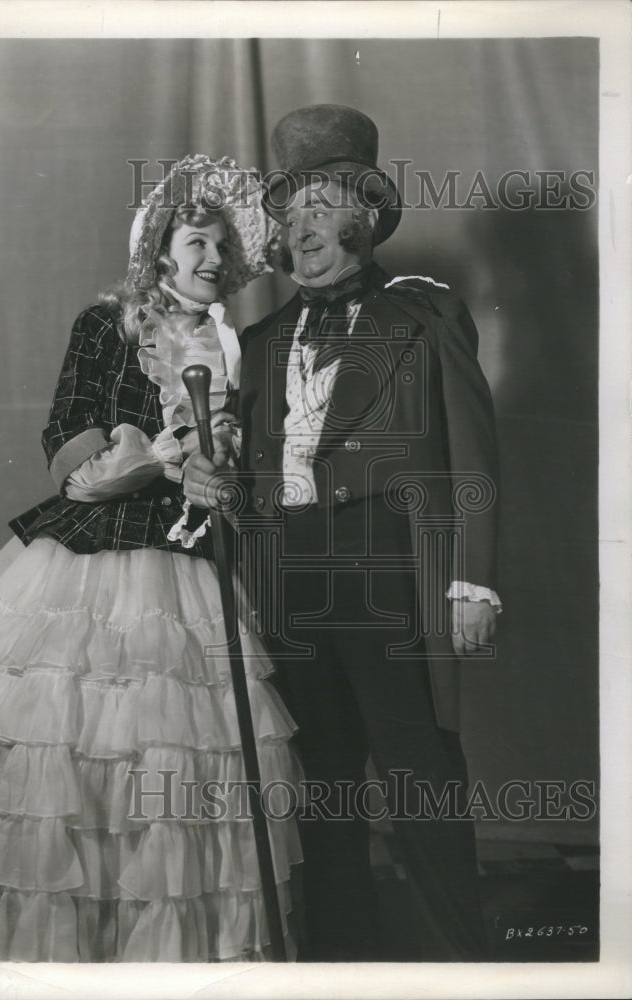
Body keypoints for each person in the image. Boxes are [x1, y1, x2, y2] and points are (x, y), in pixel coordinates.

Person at [0, 154, 303, 963]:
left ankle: (153, 953)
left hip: (191, 560)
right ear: (159, 250)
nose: (211, 259)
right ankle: (44, 946)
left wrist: (221, 472)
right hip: (96, 556)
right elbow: (68, 446)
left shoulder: (238, 343)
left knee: (171, 758)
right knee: (69, 749)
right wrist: (157, 454)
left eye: (223, 247)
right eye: (195, 241)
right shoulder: (108, 324)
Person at [184, 106, 501, 961]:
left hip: (390, 578)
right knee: (318, 785)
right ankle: (337, 963)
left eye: (323, 210)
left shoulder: (424, 317)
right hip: (285, 583)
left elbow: (470, 448)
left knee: (418, 778)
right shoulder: (257, 339)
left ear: (365, 219)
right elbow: (249, 471)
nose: (305, 231)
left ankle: (459, 964)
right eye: (291, 218)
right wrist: (214, 484)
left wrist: (470, 579)